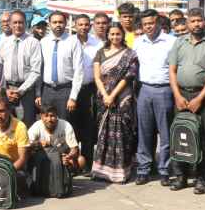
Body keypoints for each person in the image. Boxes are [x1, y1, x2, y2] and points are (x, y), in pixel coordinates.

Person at [168, 8, 205, 194]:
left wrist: (200, 98)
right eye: (193, 21)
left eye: (200, 20)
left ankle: (203, 178)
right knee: (181, 136)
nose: (196, 24)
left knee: (204, 137)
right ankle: (180, 176)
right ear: (187, 23)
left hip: (203, 97)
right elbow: (172, 70)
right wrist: (177, 95)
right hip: (181, 95)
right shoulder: (179, 42)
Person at [130, 9, 176, 187]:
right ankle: (144, 169)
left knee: (165, 133)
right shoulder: (138, 42)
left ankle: (165, 170)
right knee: (144, 132)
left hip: (164, 90)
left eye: (151, 23)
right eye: (145, 24)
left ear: (157, 22)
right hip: (144, 90)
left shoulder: (171, 41)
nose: (148, 27)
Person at [91, 24, 139, 184]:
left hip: (122, 98)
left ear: (123, 35)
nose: (115, 37)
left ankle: (121, 172)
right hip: (103, 98)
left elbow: (128, 77)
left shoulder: (130, 54)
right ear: (107, 35)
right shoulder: (100, 53)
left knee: (123, 134)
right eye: (112, 34)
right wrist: (105, 95)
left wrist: (113, 95)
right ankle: (101, 171)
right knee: (103, 134)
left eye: (118, 34)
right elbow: (97, 77)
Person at [0, 10, 42, 128]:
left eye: (20, 22)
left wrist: (20, 91)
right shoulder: (4, 43)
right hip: (7, 90)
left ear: (25, 24)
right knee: (6, 124)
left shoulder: (33, 42)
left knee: (26, 125)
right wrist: (5, 89)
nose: (17, 25)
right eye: (14, 22)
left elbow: (36, 71)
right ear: (10, 24)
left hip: (26, 90)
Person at [38, 12, 84, 120]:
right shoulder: (43, 42)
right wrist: (38, 93)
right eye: (54, 22)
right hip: (47, 91)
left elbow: (79, 70)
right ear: (49, 24)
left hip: (65, 91)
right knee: (46, 123)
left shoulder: (73, 41)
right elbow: (39, 68)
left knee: (65, 124)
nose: (58, 25)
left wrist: (73, 97)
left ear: (66, 23)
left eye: (61, 22)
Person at [73, 13, 103, 171]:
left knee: (88, 127)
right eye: (80, 24)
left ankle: (87, 164)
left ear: (90, 26)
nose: (83, 27)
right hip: (71, 90)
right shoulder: (69, 42)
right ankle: (72, 163)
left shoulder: (97, 44)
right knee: (72, 126)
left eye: (86, 25)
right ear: (75, 26)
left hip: (89, 89)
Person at [28, 104, 86, 173]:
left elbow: (75, 149)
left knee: (81, 160)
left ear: (56, 116)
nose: (49, 119)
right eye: (46, 116)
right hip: (43, 157)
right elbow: (26, 145)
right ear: (41, 117)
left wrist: (68, 157)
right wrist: (38, 144)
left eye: (52, 116)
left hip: (62, 156)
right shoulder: (36, 126)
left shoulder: (66, 125)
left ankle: (68, 174)